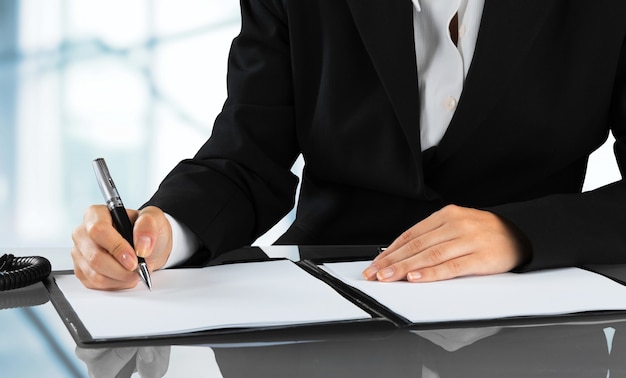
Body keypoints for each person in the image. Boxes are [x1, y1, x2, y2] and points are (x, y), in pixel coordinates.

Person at [72, 0, 626, 290]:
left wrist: (521, 235)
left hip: (536, 323)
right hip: (327, 298)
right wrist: (162, 230)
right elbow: (246, 156)